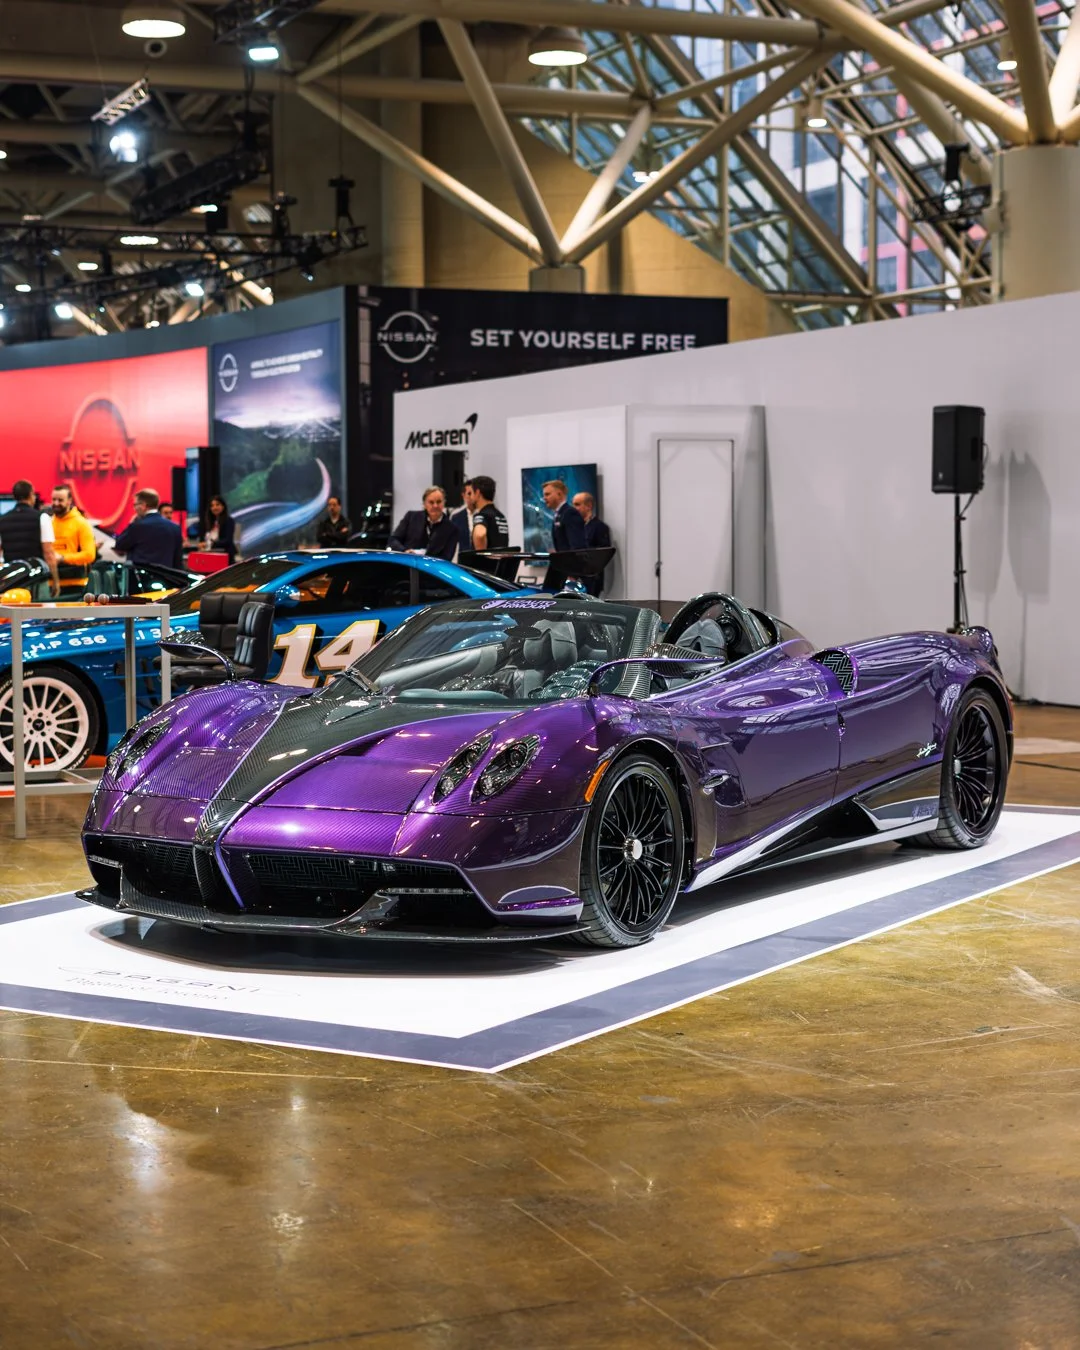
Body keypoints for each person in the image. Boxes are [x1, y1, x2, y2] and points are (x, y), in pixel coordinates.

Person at [0, 479, 60, 596]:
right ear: (31, 494)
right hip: (36, 579)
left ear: (14, 496)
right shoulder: (42, 518)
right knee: (40, 612)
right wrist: (56, 581)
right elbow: (49, 553)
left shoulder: (2, 520)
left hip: (12, 582)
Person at [115, 488, 184, 570]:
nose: (135, 508)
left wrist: (131, 524)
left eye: (135, 505)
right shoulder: (175, 527)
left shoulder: (137, 526)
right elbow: (178, 560)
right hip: (166, 578)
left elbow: (119, 545)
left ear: (143, 505)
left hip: (141, 578)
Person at [388, 486, 458, 561]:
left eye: (439, 502)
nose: (435, 506)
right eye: (431, 502)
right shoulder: (411, 517)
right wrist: (405, 551)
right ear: (424, 504)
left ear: (444, 503)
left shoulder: (452, 528)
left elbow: (447, 557)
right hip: (407, 563)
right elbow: (393, 539)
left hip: (432, 569)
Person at [50, 484, 97, 595]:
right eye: (54, 499)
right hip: (51, 583)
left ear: (69, 501)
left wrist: (62, 558)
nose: (56, 503)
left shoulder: (81, 523)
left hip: (76, 584)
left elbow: (90, 555)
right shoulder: (49, 522)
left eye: (60, 500)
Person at [541, 479, 587, 592]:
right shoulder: (559, 514)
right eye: (544, 495)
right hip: (563, 571)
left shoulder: (570, 513)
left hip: (571, 575)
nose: (544, 498)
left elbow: (577, 546)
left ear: (559, 494)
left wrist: (572, 574)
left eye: (547, 494)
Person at [572, 491, 613, 596]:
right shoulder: (575, 527)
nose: (574, 508)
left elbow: (602, 556)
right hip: (576, 578)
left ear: (589, 506)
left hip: (592, 581)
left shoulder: (600, 527)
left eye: (577, 504)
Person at [468, 475, 509, 552]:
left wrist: (481, 557)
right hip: (500, 563)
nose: (470, 497)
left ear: (477, 493)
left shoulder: (481, 515)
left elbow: (480, 534)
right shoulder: (501, 516)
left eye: (471, 493)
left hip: (486, 563)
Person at [198, 495, 237, 563]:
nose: (214, 507)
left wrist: (210, 544)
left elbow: (227, 541)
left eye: (217, 505)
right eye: (212, 506)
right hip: (210, 555)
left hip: (225, 555)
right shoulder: (210, 522)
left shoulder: (229, 520)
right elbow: (207, 539)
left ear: (223, 506)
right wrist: (203, 544)